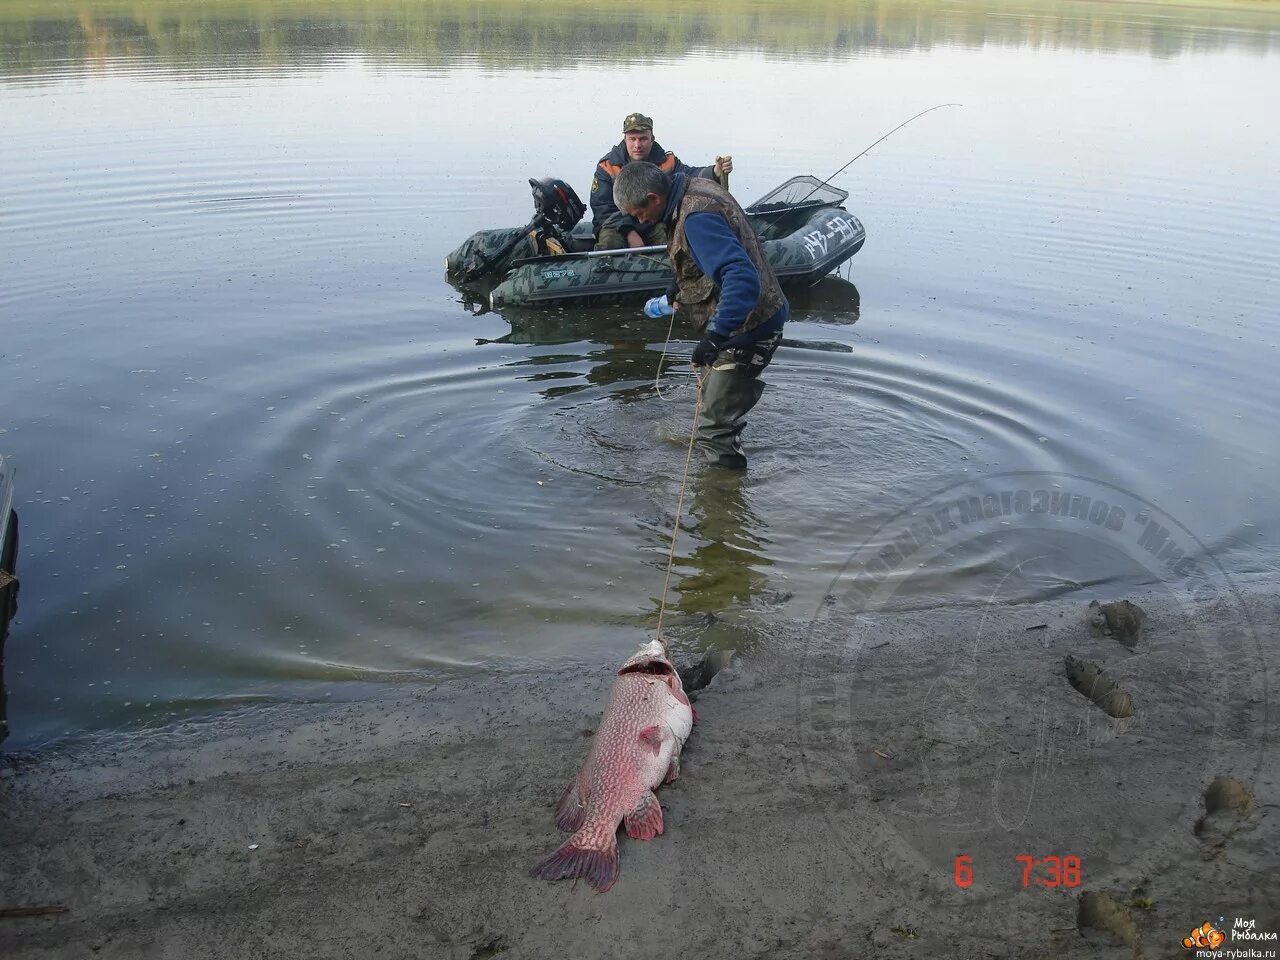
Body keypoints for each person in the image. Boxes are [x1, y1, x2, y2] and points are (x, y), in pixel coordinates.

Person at [613, 160, 788, 470]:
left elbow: (741, 276)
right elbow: (704, 256)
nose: (638, 220)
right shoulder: (693, 189)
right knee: (714, 407)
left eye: (638, 213)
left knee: (713, 430)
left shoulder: (696, 218)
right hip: (752, 317)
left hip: (750, 328)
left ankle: (721, 504)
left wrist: (715, 337)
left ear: (654, 198)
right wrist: (676, 284)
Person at [591, 113, 732, 251]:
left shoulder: (667, 161)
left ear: (652, 139)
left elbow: (688, 177)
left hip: (652, 222)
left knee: (669, 241)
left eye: (643, 139)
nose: (637, 145)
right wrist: (629, 232)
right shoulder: (607, 166)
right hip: (616, 224)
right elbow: (602, 207)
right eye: (632, 139)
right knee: (610, 242)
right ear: (625, 139)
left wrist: (714, 172)